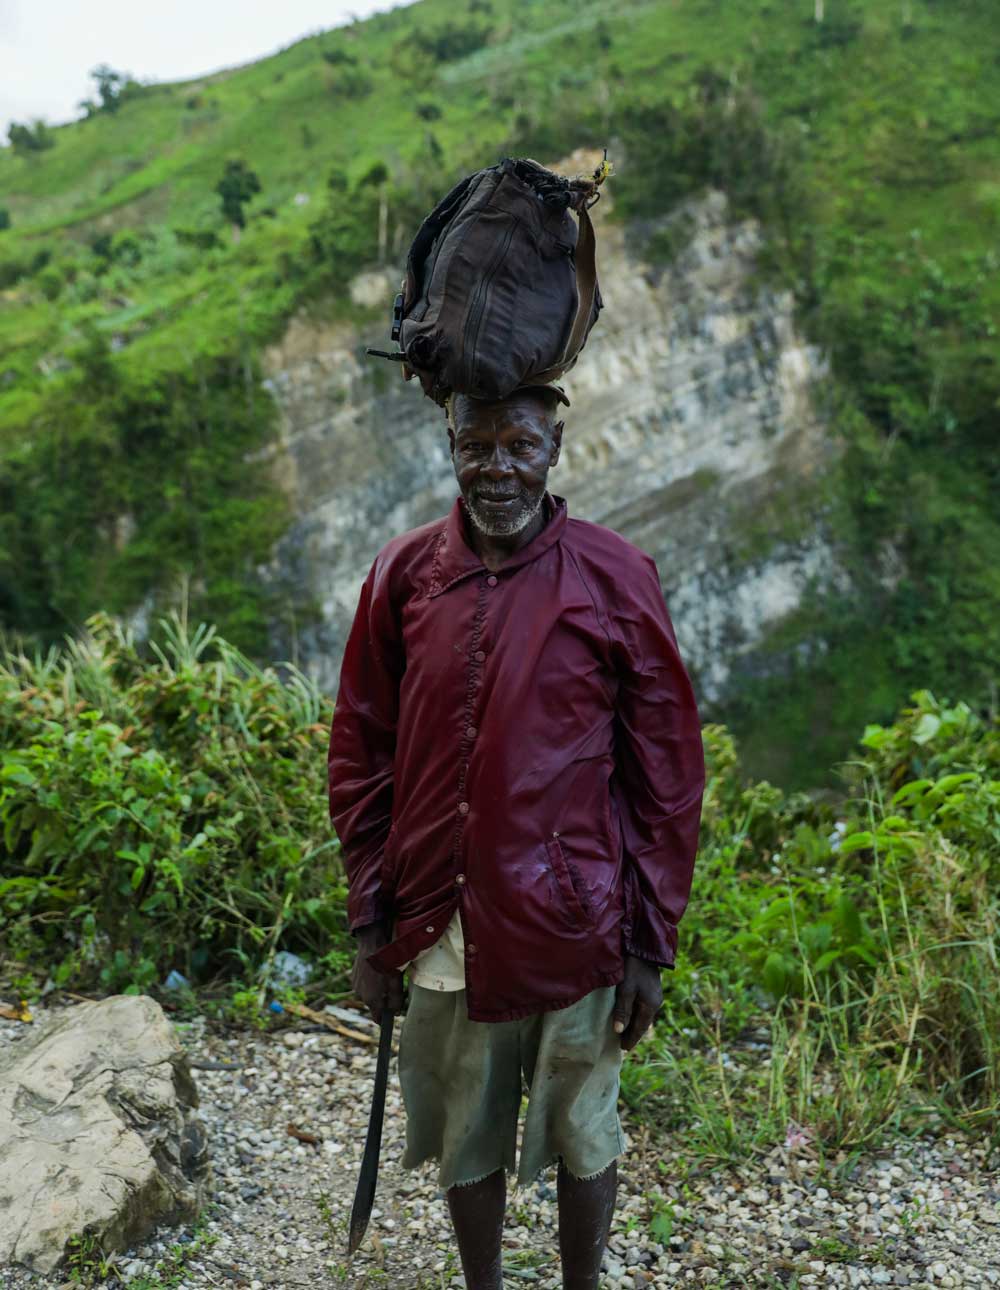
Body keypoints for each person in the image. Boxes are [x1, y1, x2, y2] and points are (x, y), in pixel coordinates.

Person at [327, 383, 706, 1290]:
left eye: (519, 445)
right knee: (468, 1123)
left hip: (576, 921)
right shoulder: (403, 574)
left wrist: (651, 941)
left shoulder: (615, 574)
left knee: (582, 1126)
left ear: (556, 444)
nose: (497, 467)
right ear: (450, 444)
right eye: (477, 444)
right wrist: (371, 916)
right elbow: (361, 750)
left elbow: (665, 771)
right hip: (442, 911)